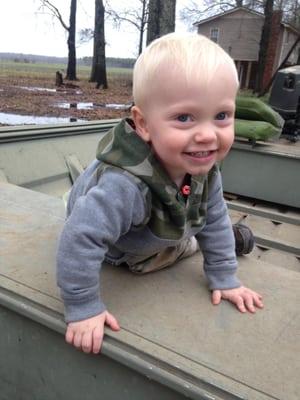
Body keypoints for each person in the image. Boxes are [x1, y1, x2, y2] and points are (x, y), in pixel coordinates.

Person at [56, 33, 263, 355]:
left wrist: (225, 277)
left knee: (208, 221)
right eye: (184, 118)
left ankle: (214, 241)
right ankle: (212, 241)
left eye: (221, 116)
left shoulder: (202, 166)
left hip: (158, 217)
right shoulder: (125, 186)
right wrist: (82, 306)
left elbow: (215, 213)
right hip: (124, 247)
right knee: (159, 255)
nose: (208, 134)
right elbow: (80, 238)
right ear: (144, 124)